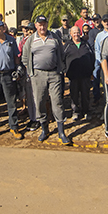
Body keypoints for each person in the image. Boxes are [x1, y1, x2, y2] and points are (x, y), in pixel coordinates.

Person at [23, 15, 70, 144]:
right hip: (38, 75)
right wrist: (31, 73)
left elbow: (61, 53)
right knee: (39, 102)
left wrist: (60, 69)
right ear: (36, 26)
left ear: (47, 24)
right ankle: (45, 129)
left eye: (44, 24)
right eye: (40, 24)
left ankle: (61, 131)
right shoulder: (31, 40)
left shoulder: (54, 37)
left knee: (57, 102)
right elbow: (25, 57)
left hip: (54, 74)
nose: (42, 27)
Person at [64, 26, 94, 122]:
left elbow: (92, 56)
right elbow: (62, 58)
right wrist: (65, 70)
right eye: (74, 33)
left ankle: (86, 111)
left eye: (78, 32)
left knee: (85, 94)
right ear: (71, 34)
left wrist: (91, 70)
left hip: (85, 74)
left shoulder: (86, 44)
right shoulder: (67, 45)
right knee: (74, 95)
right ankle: (76, 111)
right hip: (73, 76)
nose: (76, 34)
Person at [18, 22, 39, 130]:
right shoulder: (24, 41)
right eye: (28, 29)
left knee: (39, 96)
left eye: (31, 29)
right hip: (29, 72)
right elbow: (23, 57)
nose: (29, 31)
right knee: (30, 96)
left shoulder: (39, 39)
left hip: (40, 71)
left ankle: (40, 118)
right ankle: (33, 118)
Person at [93, 15, 108, 109]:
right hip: (103, 64)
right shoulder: (99, 36)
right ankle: (106, 107)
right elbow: (97, 49)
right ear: (102, 22)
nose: (106, 23)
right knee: (105, 87)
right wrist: (100, 61)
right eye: (105, 21)